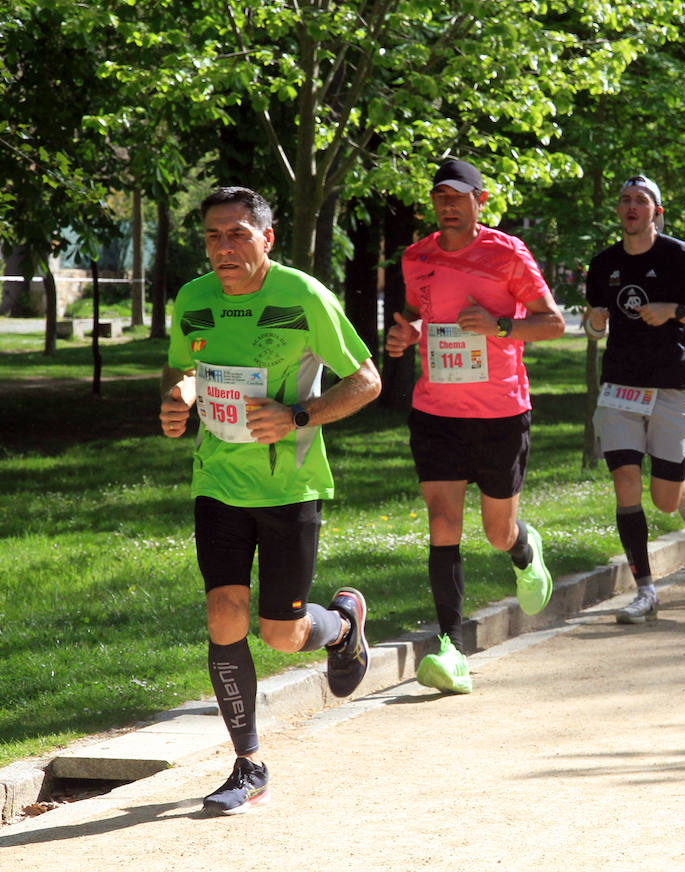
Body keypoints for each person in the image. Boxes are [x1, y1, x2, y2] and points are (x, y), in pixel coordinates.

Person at [159, 186, 381, 814]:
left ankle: (340, 625)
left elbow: (367, 379)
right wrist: (179, 399)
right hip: (218, 481)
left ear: (267, 238)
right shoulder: (194, 299)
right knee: (223, 614)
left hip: (289, 487)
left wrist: (299, 414)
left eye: (237, 234)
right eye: (213, 237)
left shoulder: (303, 296)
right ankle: (248, 763)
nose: (224, 248)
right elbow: (185, 370)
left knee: (282, 636)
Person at [386, 158, 565, 694]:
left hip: (500, 413)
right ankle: (451, 648)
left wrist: (500, 325)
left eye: (458, 196)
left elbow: (552, 322)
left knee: (496, 532)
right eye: (440, 196)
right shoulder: (416, 257)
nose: (448, 204)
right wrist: (409, 336)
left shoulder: (507, 253)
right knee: (443, 524)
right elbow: (423, 318)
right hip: (436, 411)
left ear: (479, 201)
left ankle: (523, 548)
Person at [584, 175, 685, 623]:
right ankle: (646, 590)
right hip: (620, 388)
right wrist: (595, 322)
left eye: (642, 201)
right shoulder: (603, 264)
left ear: (657, 212)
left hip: (672, 385)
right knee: (625, 481)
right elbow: (597, 327)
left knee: (665, 501)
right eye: (626, 200)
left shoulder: (682, 258)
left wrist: (675, 311)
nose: (632, 207)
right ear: (619, 211)